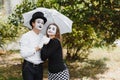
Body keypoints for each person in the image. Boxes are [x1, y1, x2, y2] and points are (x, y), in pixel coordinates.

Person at [19, 11, 49, 80]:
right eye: (38, 22)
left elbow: (45, 54)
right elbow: (23, 54)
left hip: (40, 67)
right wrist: (36, 48)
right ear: (33, 23)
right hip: (28, 67)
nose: (40, 24)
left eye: (42, 23)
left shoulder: (43, 37)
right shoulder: (26, 36)